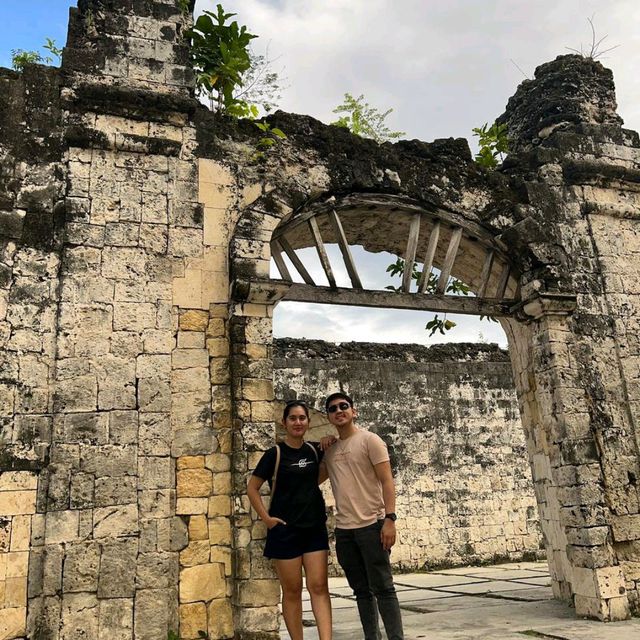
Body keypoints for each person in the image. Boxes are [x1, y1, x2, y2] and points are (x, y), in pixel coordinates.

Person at [319, 392, 404, 640]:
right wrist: (319, 446)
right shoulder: (330, 450)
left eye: (344, 406)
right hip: (345, 531)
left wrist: (390, 519)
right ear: (329, 416)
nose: (339, 410)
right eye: (333, 408)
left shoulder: (370, 440)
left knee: (384, 589)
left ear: (353, 411)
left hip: (372, 524)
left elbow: (387, 481)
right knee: (361, 591)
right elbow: (315, 479)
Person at [247, 400, 332, 640]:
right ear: (284, 422)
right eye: (292, 418)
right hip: (285, 532)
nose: (298, 422)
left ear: (308, 422)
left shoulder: (315, 450)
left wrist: (329, 440)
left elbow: (320, 474)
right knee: (292, 591)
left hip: (314, 529)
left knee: (319, 587)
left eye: (302, 418)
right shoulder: (274, 454)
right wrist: (267, 519)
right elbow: (252, 488)